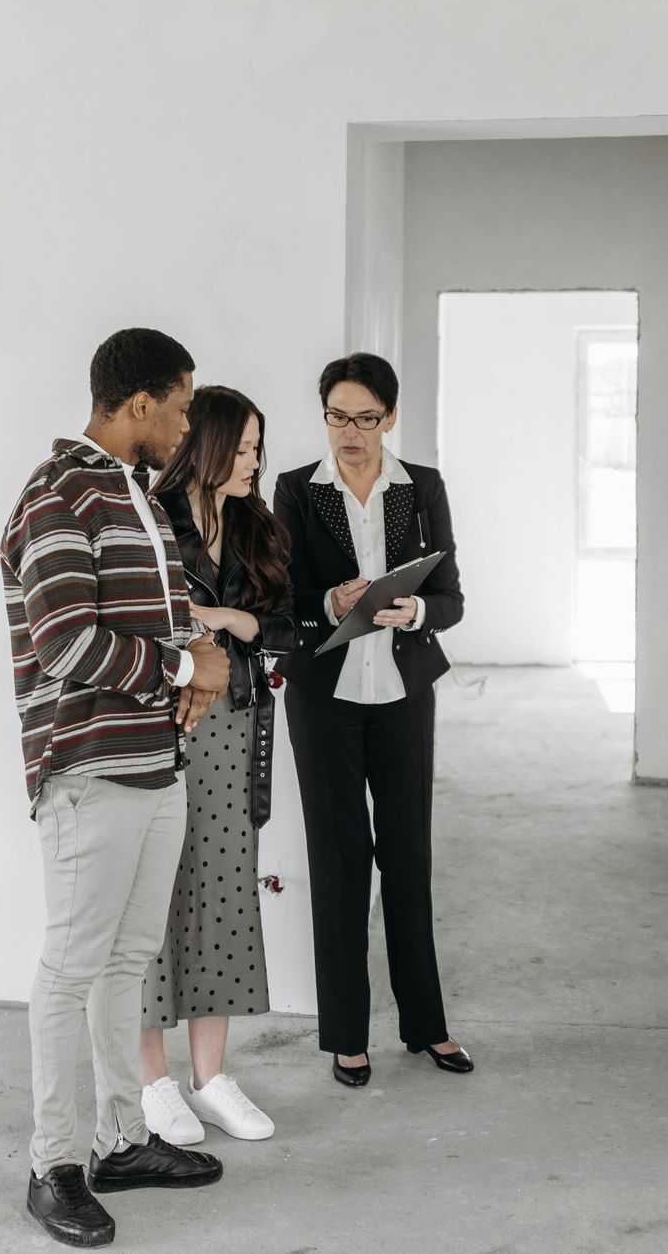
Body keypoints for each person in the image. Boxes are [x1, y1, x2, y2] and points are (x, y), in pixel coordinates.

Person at [0, 327, 231, 1249]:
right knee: (71, 969)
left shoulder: (134, 494)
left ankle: (119, 1141)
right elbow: (66, 644)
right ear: (138, 402)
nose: (186, 424)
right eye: (180, 405)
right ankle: (53, 1166)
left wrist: (199, 656)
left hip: (153, 769)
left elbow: (166, 626)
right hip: (89, 771)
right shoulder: (57, 497)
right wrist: (186, 670)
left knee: (126, 964)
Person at [271, 351, 474, 1088]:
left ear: (389, 417)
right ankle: (348, 1038)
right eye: (336, 417)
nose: (349, 433)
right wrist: (327, 603)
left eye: (364, 418)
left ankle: (427, 1026)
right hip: (323, 699)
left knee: (407, 859)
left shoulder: (421, 488)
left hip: (402, 695)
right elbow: (280, 594)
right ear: (324, 416)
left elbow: (450, 595)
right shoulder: (295, 490)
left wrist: (413, 608)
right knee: (339, 865)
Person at [136, 386, 295, 1145]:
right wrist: (211, 633)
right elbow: (142, 620)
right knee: (152, 905)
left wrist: (235, 619)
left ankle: (211, 1078)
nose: (253, 461)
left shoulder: (256, 525)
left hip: (234, 731)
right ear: (205, 445)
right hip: (161, 725)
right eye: (241, 447)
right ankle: (154, 1085)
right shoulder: (150, 518)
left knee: (224, 894)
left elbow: (288, 628)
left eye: (258, 448)